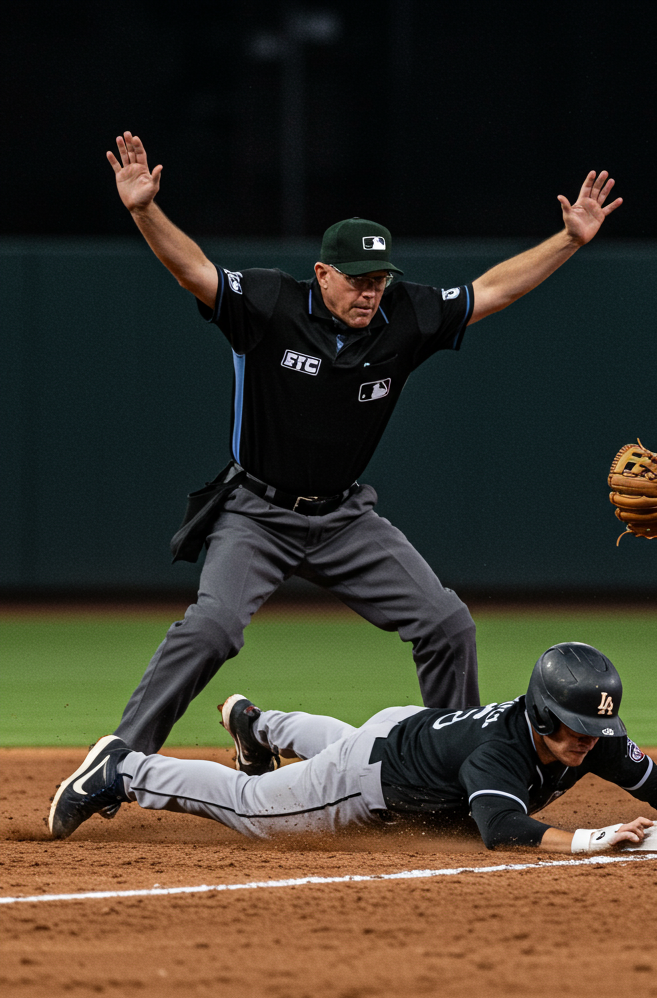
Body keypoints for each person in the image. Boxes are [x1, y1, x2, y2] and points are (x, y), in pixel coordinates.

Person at [103, 131, 623, 761]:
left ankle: (454, 764)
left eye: (379, 278)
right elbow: (193, 270)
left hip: (344, 518)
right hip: (256, 512)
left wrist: (569, 240)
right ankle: (120, 760)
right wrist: (143, 209)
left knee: (447, 624)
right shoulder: (270, 303)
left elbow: (494, 291)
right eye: (357, 279)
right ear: (323, 273)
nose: (370, 291)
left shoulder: (405, 316)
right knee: (210, 629)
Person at [48, 643, 657, 850]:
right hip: (370, 775)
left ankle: (260, 726)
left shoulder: (589, 738)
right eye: (575, 730)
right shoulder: (503, 751)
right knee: (255, 809)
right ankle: (127, 769)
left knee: (347, 739)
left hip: (404, 730)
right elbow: (501, 830)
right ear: (538, 714)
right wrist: (594, 839)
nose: (589, 745)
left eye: (598, 730)